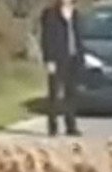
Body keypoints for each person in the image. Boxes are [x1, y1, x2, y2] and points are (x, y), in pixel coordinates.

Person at [41, 0, 84, 137]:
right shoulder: (50, 14)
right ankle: (52, 126)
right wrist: (49, 59)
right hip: (57, 58)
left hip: (73, 57)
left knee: (71, 93)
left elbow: (78, 37)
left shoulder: (76, 14)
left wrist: (81, 56)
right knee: (54, 93)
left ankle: (71, 126)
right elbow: (46, 38)